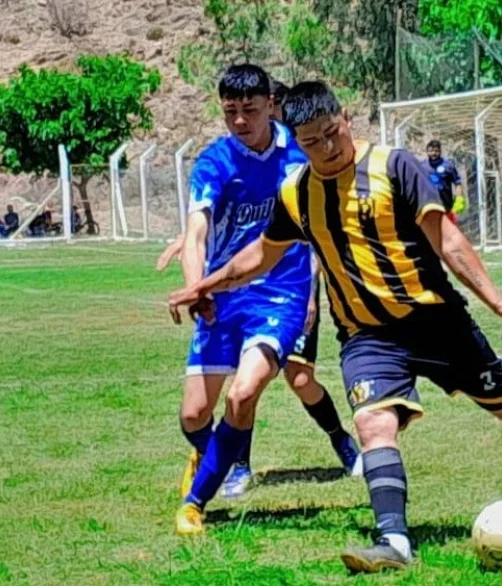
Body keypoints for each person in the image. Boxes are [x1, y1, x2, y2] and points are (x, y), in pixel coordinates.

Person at [168, 81, 502, 573]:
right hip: (366, 336)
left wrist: (498, 301)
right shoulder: (296, 192)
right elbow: (258, 256)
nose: (326, 148)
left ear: (346, 119)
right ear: (297, 139)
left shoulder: (396, 167)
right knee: (373, 422)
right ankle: (394, 543)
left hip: (437, 322)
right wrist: (203, 285)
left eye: (331, 133)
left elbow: (446, 238)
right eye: (310, 141)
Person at [168, 66, 359, 537]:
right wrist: (199, 289)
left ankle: (195, 503)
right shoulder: (214, 162)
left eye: (249, 110)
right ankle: (212, 455)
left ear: (269, 105)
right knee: (194, 415)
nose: (239, 121)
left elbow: (319, 219)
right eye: (230, 111)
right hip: (225, 294)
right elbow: (196, 233)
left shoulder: (299, 152)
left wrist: (315, 289)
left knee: (247, 390)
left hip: (282, 291)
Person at [423, 139, 466, 223]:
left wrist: (459, 198)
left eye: (436, 151)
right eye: (431, 151)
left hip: (446, 205)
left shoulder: (448, 165)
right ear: (427, 152)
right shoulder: (422, 166)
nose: (433, 153)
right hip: (428, 206)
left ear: (440, 151)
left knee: (447, 232)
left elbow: (457, 183)